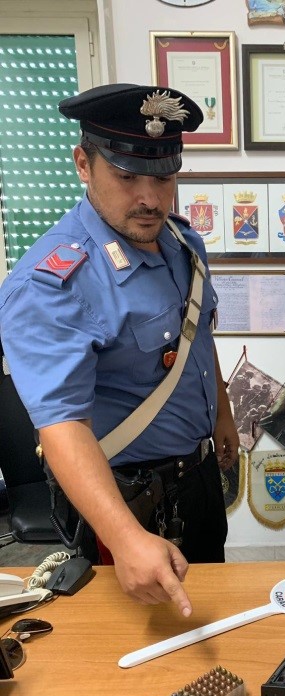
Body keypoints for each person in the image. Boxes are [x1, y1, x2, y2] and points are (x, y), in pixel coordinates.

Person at [0, 83, 239, 614]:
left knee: (207, 616)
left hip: (196, 479)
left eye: (164, 177)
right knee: (130, 638)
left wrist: (221, 414)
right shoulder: (50, 283)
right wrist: (126, 537)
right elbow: (61, 426)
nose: (150, 198)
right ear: (83, 165)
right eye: (127, 177)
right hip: (124, 500)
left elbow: (197, 336)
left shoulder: (182, 242)